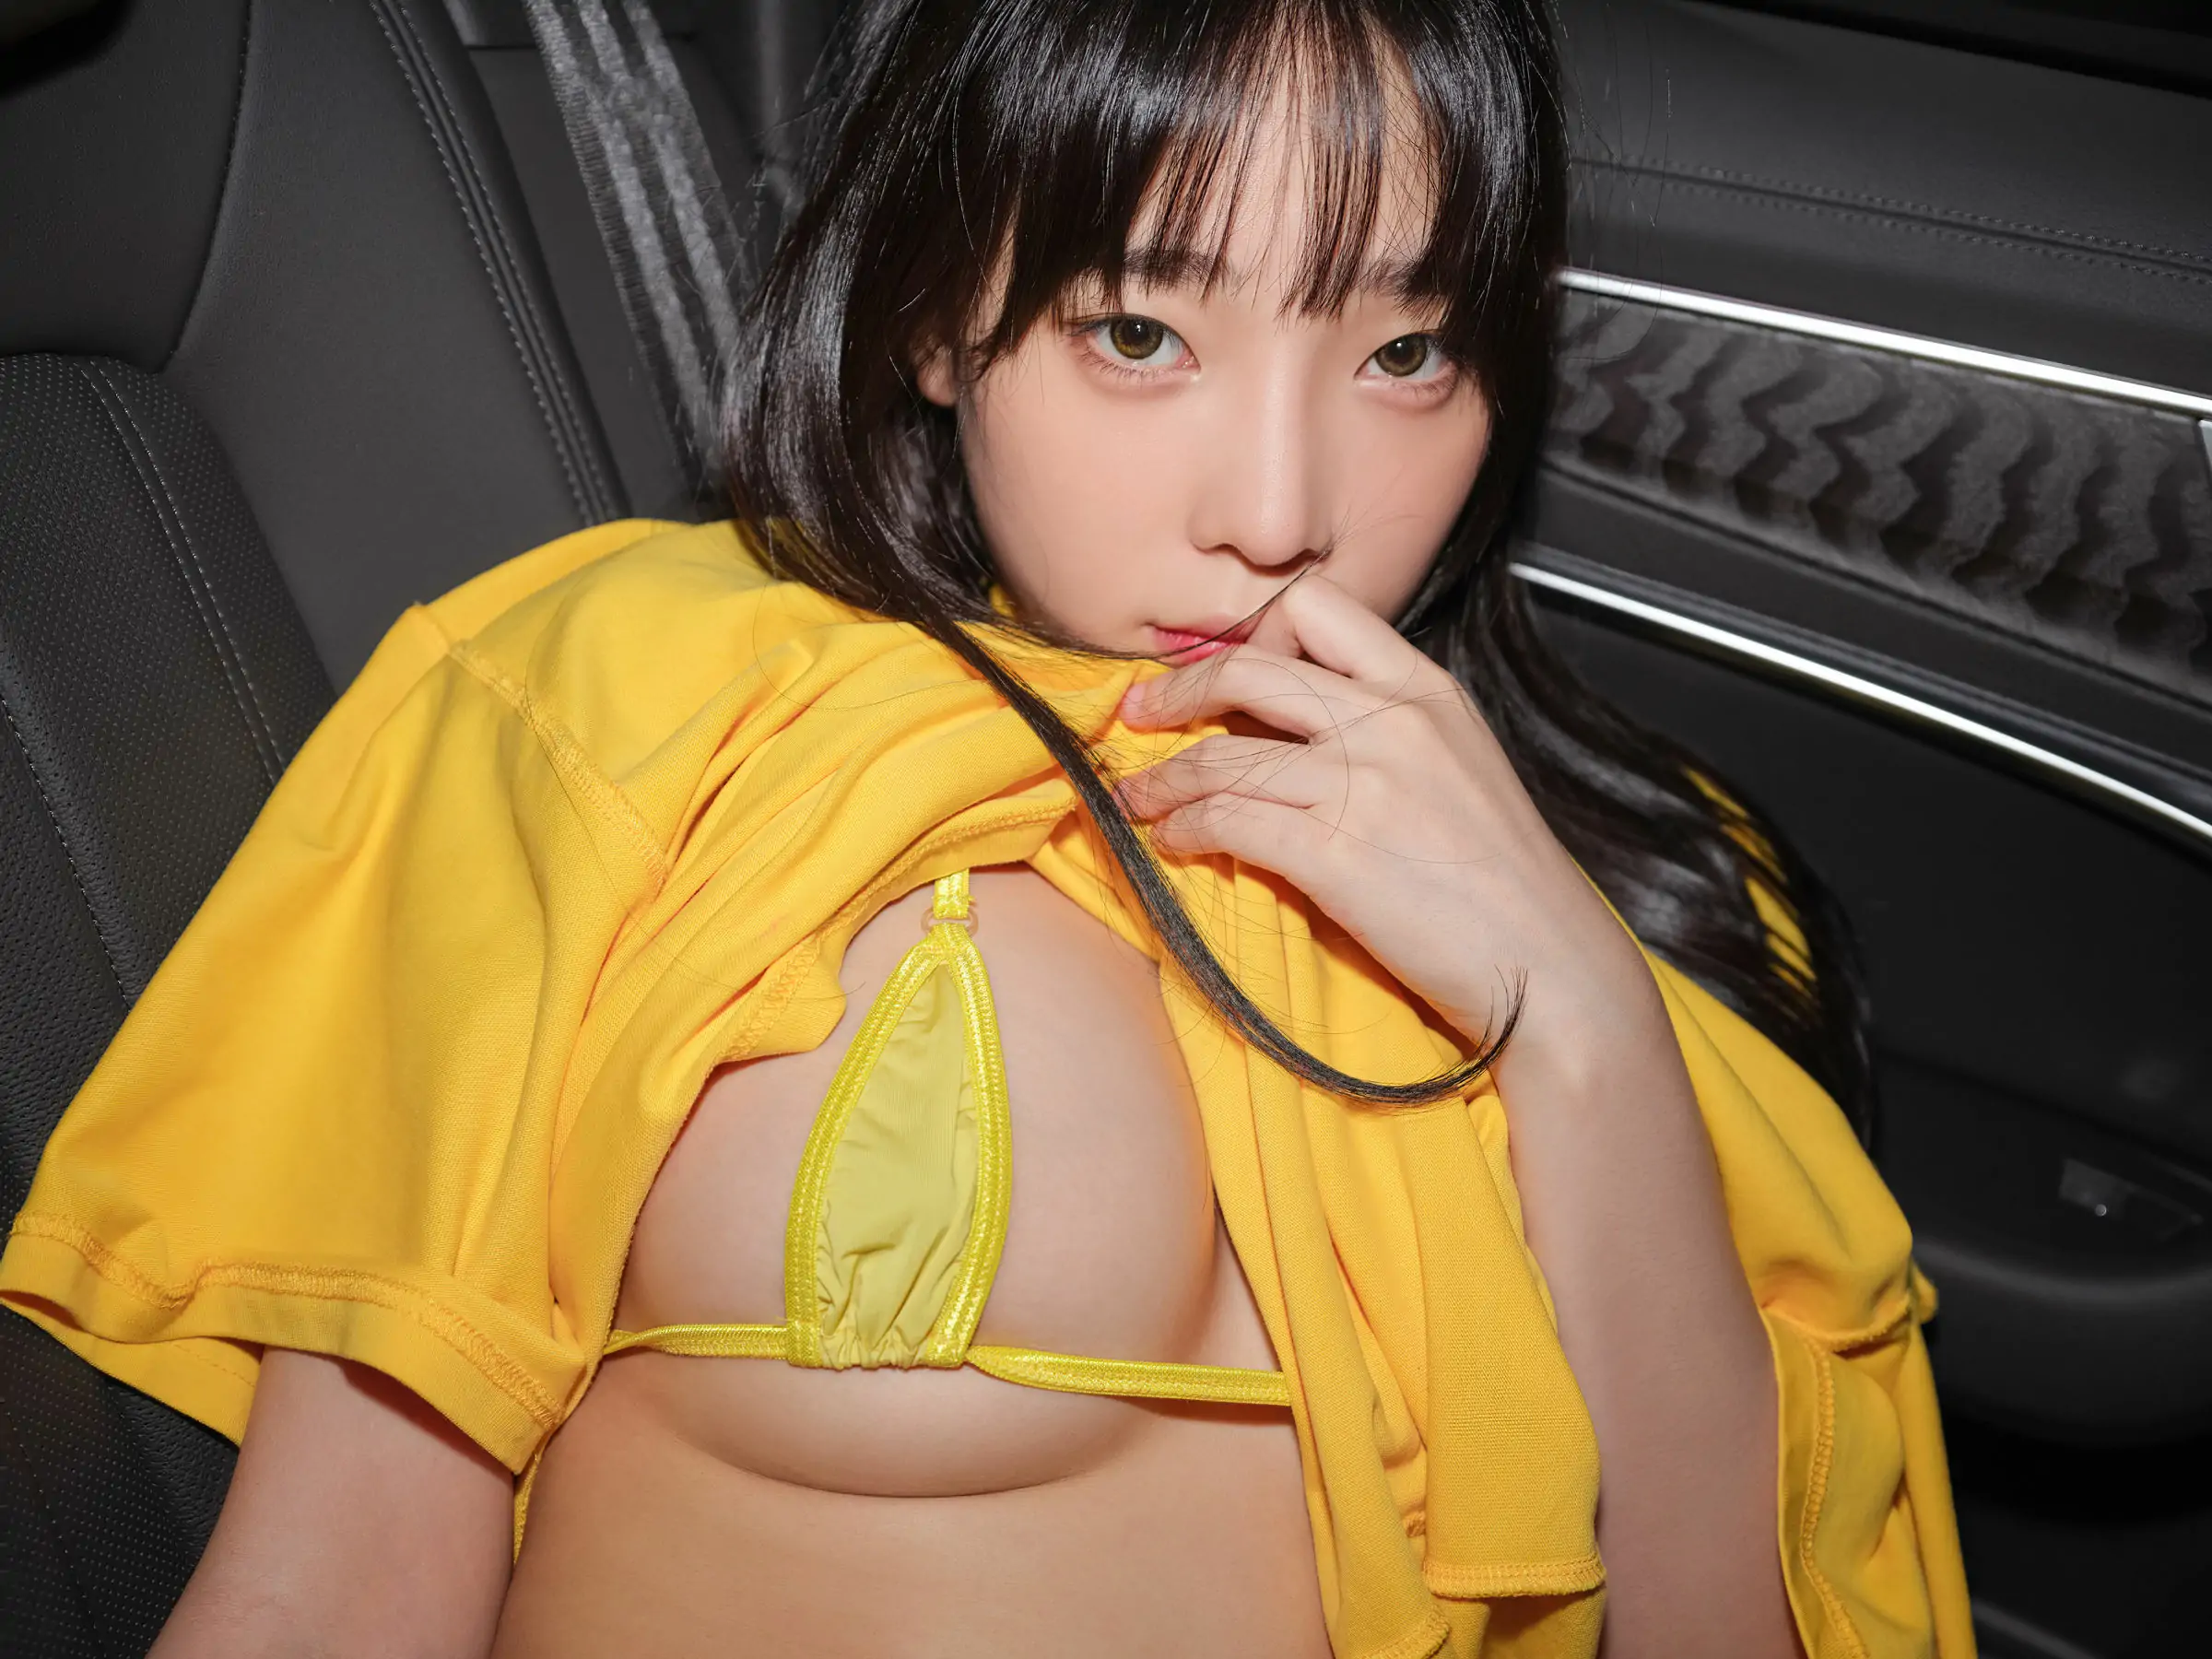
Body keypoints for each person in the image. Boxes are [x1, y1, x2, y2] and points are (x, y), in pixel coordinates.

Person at [0, 1, 1973, 1654]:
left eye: (1403, 352)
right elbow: (347, 1580)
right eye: (1141, 333)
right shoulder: (628, 700)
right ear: (943, 315)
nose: (1279, 511)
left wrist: (1583, 1024)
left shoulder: (1619, 891)